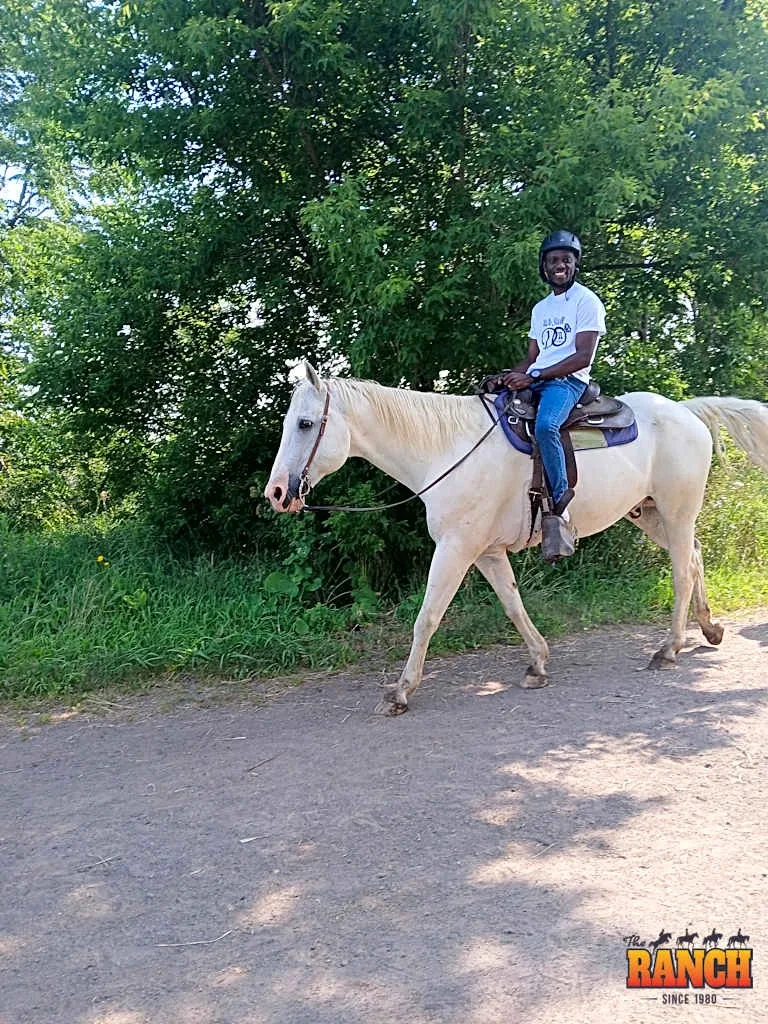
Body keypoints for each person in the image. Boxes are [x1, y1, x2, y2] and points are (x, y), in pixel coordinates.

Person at [501, 229, 606, 558]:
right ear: (544, 267)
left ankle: (560, 503)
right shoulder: (540, 309)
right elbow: (533, 357)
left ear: (575, 264)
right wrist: (508, 376)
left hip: (568, 381)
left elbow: (583, 356)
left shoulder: (587, 301)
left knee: (546, 425)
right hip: (539, 377)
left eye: (566, 260)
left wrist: (533, 375)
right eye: (553, 260)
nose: (559, 265)